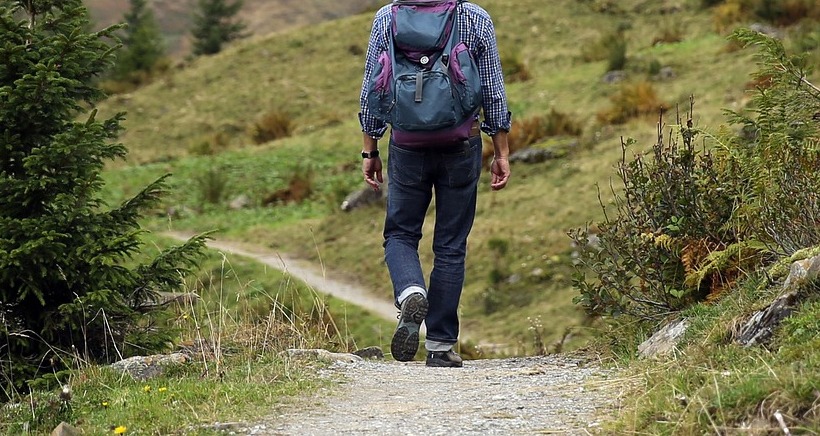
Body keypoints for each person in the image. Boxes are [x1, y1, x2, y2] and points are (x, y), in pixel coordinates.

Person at [358, 0, 511, 368]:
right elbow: (492, 90)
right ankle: (441, 345)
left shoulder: (386, 18)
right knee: (451, 245)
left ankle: (410, 290)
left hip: (407, 144)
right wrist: (501, 151)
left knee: (400, 234)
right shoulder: (474, 18)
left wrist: (370, 151)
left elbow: (371, 91)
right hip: (462, 142)